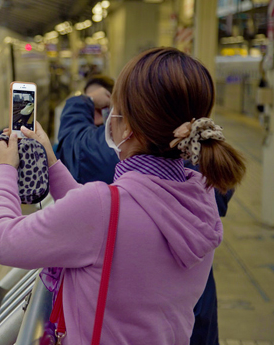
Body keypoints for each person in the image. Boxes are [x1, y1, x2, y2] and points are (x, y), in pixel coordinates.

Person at [0, 47, 246, 344]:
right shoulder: (201, 194)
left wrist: (4, 169)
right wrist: (52, 162)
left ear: (128, 128)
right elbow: (110, 223)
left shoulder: (102, 208)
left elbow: (4, 241)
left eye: (115, 110)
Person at [56, 75, 231, 345]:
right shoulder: (200, 162)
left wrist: (84, 101)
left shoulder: (125, 158)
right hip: (194, 316)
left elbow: (74, 152)